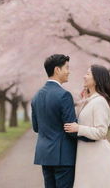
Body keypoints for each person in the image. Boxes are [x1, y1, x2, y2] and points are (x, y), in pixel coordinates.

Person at [31, 54, 93, 188]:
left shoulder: (36, 96)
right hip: (63, 157)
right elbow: (70, 128)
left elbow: (36, 128)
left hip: (45, 156)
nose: (68, 71)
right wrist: (93, 137)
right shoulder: (64, 95)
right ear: (57, 70)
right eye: (67, 68)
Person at [64, 64, 110, 188]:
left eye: (88, 74)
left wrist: (78, 128)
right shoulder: (91, 100)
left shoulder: (100, 101)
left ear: (97, 79)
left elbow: (101, 132)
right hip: (87, 154)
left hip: (97, 156)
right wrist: (83, 100)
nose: (84, 76)